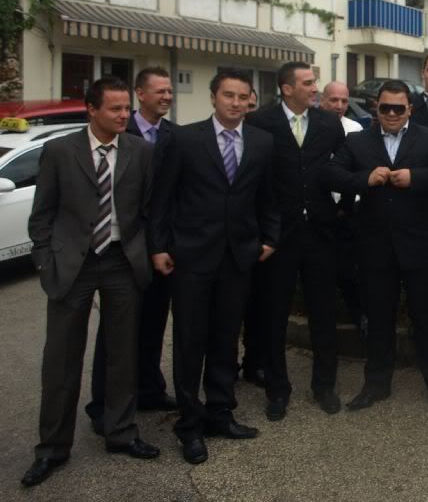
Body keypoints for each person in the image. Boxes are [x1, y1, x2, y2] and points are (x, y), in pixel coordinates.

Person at [21, 78, 159, 488]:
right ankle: (52, 448)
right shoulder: (59, 151)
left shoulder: (140, 151)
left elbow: (147, 208)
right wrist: (46, 261)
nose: (123, 115)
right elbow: (42, 214)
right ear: (92, 109)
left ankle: (121, 433)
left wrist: (143, 251)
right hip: (72, 266)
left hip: (120, 261)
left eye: (126, 108)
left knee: (122, 354)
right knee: (61, 359)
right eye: (115, 109)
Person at [151, 68, 278, 465]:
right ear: (213, 97)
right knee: (190, 341)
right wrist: (158, 246)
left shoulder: (261, 141)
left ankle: (221, 412)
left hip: (238, 257)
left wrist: (269, 238)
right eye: (228, 96)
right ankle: (189, 424)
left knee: (225, 339)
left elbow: (267, 196)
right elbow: (162, 198)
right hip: (191, 256)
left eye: (243, 97)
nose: (236, 103)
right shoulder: (184, 139)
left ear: (250, 100)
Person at [323, 81, 428, 414]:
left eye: (399, 108)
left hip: (421, 247)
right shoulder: (358, 141)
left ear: (410, 109)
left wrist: (416, 178)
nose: (393, 114)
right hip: (375, 248)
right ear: (376, 108)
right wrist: (364, 179)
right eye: (386, 108)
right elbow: (331, 174)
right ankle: (376, 384)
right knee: (379, 320)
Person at [246, 62, 347, 421]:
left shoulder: (328, 123)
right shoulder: (260, 122)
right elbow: (254, 180)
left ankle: (325, 386)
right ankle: (277, 389)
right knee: (274, 315)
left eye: (314, 82)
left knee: (324, 313)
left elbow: (345, 167)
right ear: (287, 88)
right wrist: (262, 230)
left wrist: (342, 210)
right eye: (307, 83)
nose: (315, 88)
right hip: (279, 237)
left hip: (321, 233)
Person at [86, 67, 177, 436]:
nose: (167, 96)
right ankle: (102, 405)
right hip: (124, 248)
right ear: (140, 93)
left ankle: (149, 390)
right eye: (160, 91)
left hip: (161, 247)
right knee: (116, 332)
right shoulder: (120, 132)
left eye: (170, 91)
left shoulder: (174, 135)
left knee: (154, 323)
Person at [319, 80, 366, 336]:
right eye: (334, 100)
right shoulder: (312, 127)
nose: (339, 105)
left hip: (350, 209)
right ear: (322, 100)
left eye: (344, 101)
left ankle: (359, 315)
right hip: (321, 209)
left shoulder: (355, 129)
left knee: (351, 268)